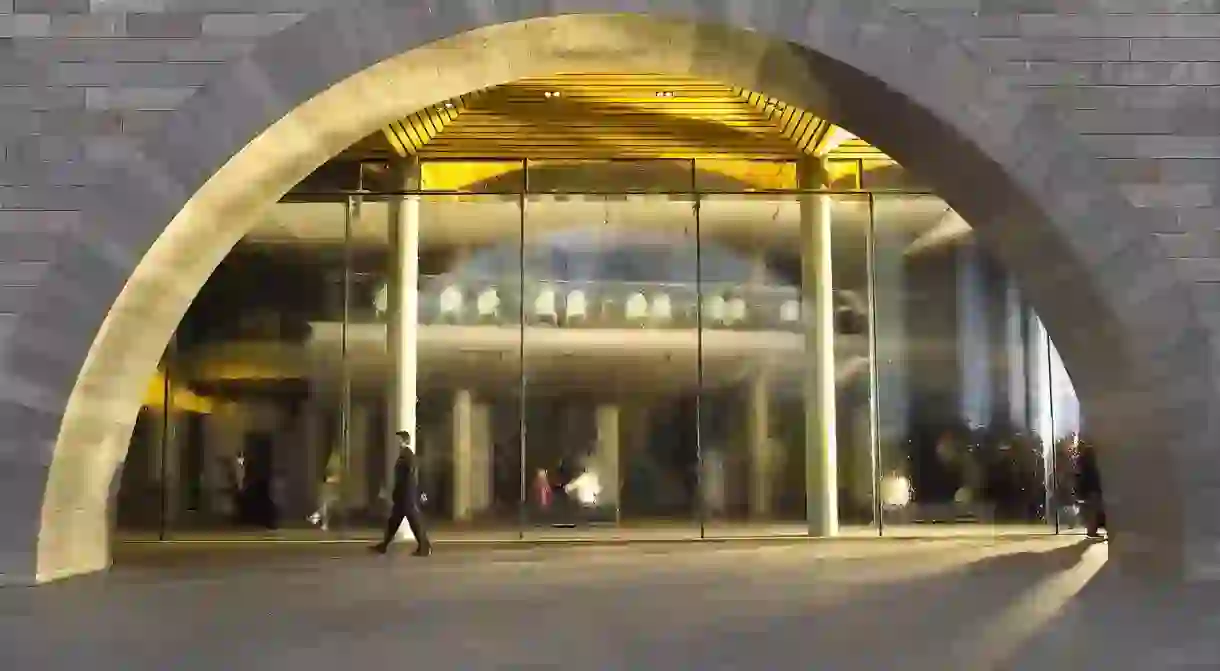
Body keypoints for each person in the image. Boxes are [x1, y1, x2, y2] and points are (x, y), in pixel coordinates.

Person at [371, 430, 432, 556]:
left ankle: (425, 547)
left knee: (414, 522)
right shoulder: (404, 455)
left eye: (398, 439)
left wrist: (411, 494)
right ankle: (384, 545)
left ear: (404, 441)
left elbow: (410, 478)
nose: (396, 442)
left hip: (406, 497)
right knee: (394, 521)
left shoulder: (408, 456)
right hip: (403, 496)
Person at [1076, 440, 1107, 539]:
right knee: (1096, 510)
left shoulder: (1082, 463)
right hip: (1093, 490)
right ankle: (1093, 531)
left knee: (1091, 512)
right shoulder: (1091, 465)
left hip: (1089, 490)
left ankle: (1091, 530)